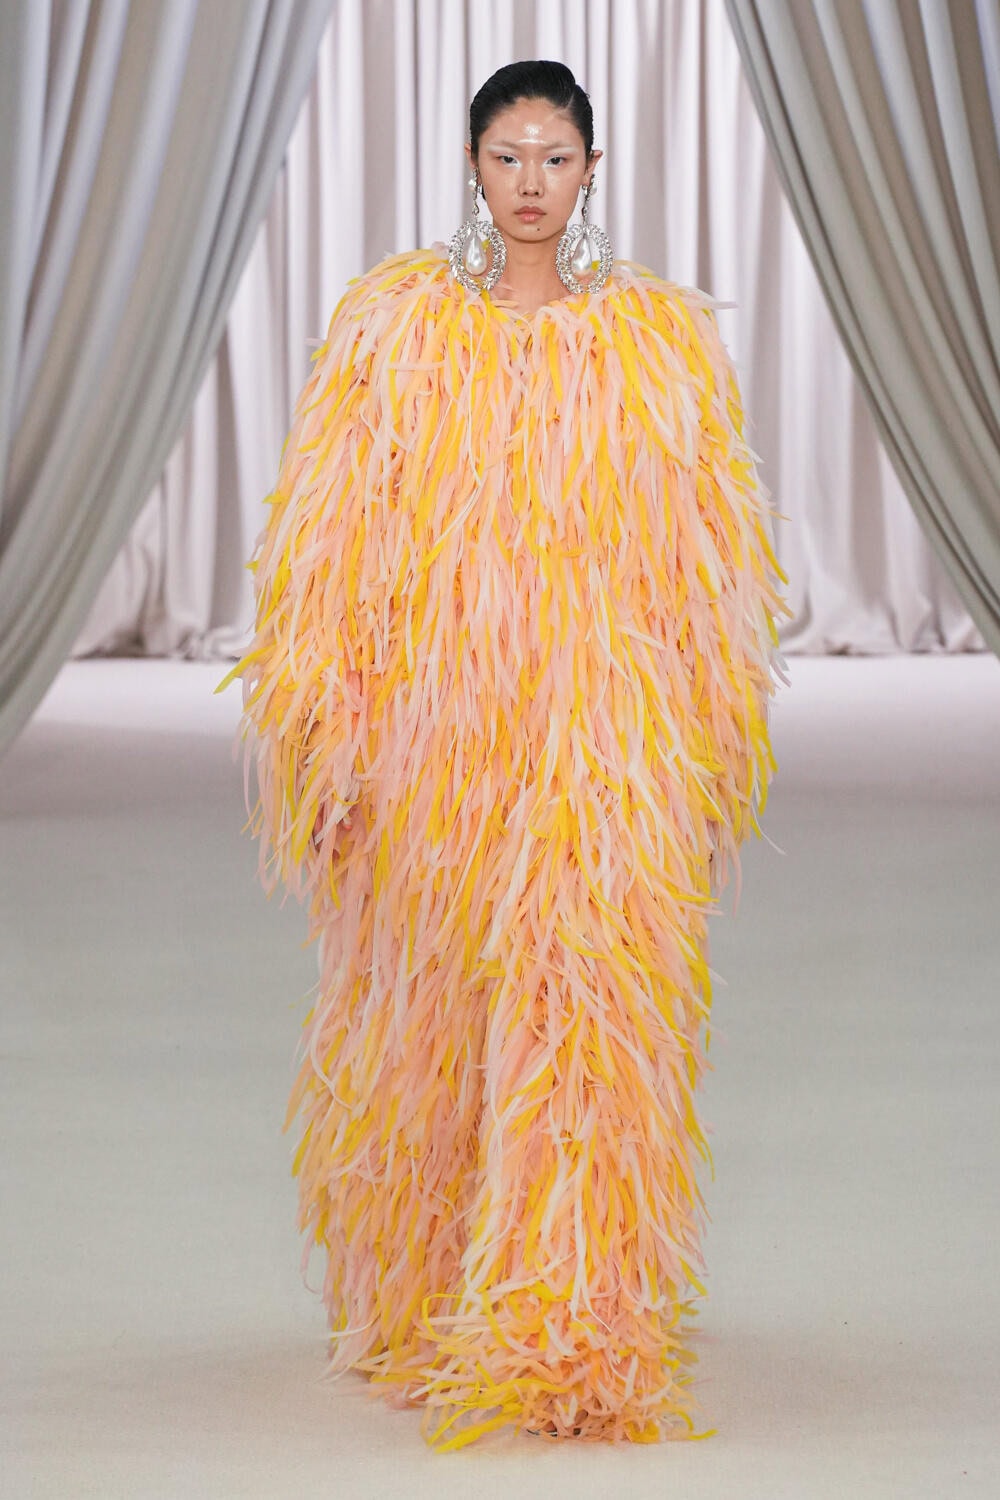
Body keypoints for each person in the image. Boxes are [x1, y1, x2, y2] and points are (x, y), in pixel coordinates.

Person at [218, 59, 788, 1449]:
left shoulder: (657, 341)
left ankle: (572, 1318)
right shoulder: (395, 327)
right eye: (507, 157)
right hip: (441, 734)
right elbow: (332, 539)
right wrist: (332, 727)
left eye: (556, 158)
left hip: (605, 732)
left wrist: (706, 726)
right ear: (472, 166)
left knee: (589, 1007)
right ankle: (428, 1296)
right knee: (427, 1012)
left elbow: (703, 552)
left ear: (592, 169)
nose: (531, 184)